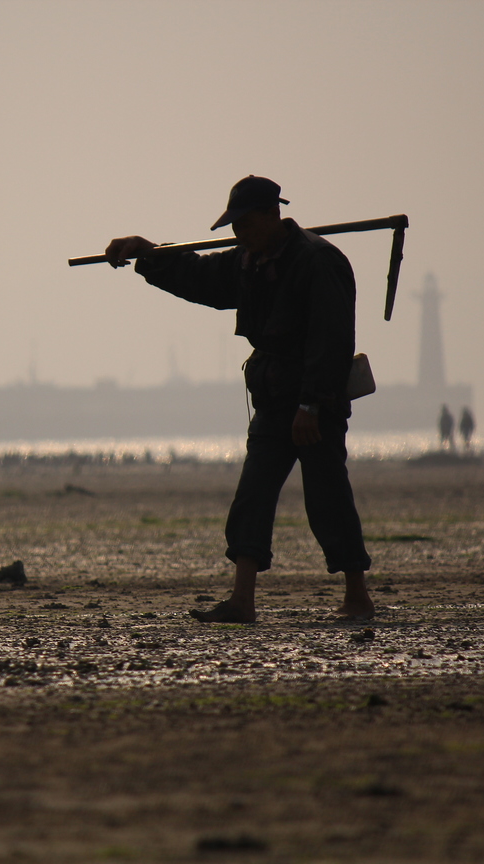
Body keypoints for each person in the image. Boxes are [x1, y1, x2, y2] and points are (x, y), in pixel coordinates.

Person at [105, 175, 373, 622]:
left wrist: (310, 405)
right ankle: (241, 601)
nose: (239, 233)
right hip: (272, 397)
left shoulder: (318, 261)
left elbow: (331, 339)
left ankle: (357, 596)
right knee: (252, 497)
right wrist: (148, 252)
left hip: (315, 402)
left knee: (328, 498)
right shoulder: (247, 261)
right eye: (235, 226)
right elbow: (200, 277)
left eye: (246, 223)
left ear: (273, 215)